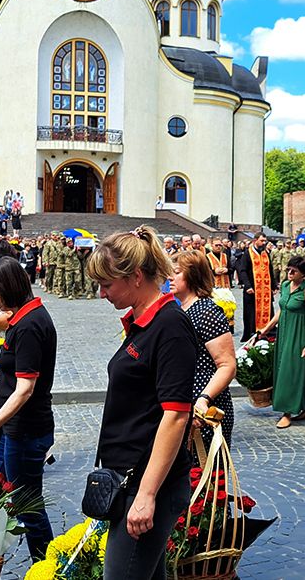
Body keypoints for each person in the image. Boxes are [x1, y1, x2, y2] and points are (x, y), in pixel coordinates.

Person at [85, 227, 196, 580]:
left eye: (107, 285)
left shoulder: (170, 325)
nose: (102, 294)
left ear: (135, 277)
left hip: (147, 482)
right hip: (130, 477)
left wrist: (146, 495)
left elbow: (176, 416)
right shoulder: (144, 321)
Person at [0, 257, 57, 560]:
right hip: (15, 430)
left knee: (28, 507)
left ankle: (47, 566)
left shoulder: (29, 325)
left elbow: (25, 390)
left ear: (9, 287)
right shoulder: (24, 318)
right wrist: (3, 373)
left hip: (25, 430)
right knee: (3, 495)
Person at [171, 251, 237, 445]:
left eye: (176, 272)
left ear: (193, 275)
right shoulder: (180, 310)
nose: (170, 277)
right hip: (184, 403)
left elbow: (227, 365)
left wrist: (204, 398)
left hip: (205, 407)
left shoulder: (207, 311)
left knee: (203, 462)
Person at [254, 256, 305, 429]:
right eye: (288, 269)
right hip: (283, 333)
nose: (289, 273)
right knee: (287, 369)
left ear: (303, 274)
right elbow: (281, 311)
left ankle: (287, 412)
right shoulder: (284, 286)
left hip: (298, 335)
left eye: (294, 271)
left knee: (290, 372)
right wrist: (266, 329)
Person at [236, 233, 275, 342]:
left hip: (265, 289)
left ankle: (268, 331)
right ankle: (252, 333)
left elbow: (270, 269)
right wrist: (247, 285)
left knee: (268, 310)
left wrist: (274, 285)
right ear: (255, 241)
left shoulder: (265, 253)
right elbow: (242, 271)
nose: (264, 243)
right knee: (251, 312)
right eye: (262, 241)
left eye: (265, 241)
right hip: (252, 289)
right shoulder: (247, 253)